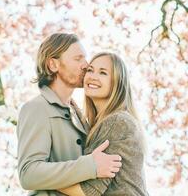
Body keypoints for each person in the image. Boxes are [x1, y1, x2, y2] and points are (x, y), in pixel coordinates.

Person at [17, 34, 122, 196]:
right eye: (78, 58)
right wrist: (90, 166)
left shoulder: (79, 114)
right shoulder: (37, 108)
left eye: (85, 58)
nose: (86, 65)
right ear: (53, 65)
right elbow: (28, 174)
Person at [58, 52, 149, 196]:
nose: (93, 76)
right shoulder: (105, 123)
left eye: (103, 73)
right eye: (90, 70)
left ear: (117, 82)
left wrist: (40, 174)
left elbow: (87, 191)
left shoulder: (117, 122)